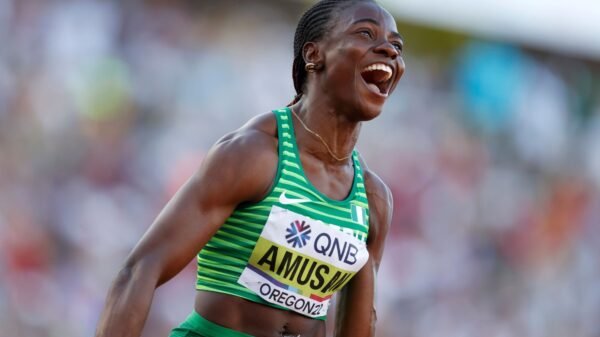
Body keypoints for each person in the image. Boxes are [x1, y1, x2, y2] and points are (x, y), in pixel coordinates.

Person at [94, 0, 404, 336]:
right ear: (314, 55)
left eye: (397, 46)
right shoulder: (253, 155)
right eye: (366, 33)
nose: (388, 50)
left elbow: (358, 329)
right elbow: (139, 271)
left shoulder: (373, 199)